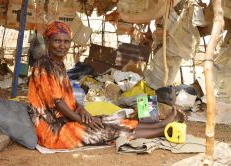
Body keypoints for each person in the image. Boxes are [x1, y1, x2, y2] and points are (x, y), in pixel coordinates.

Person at [28, 21, 184, 149]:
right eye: (57, 41)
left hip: (65, 121)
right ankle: (163, 130)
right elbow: (58, 103)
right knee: (107, 129)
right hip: (53, 130)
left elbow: (67, 97)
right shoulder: (44, 66)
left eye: (66, 41)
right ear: (48, 42)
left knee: (106, 120)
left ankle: (161, 124)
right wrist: (81, 119)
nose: (62, 45)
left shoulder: (58, 65)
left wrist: (81, 109)